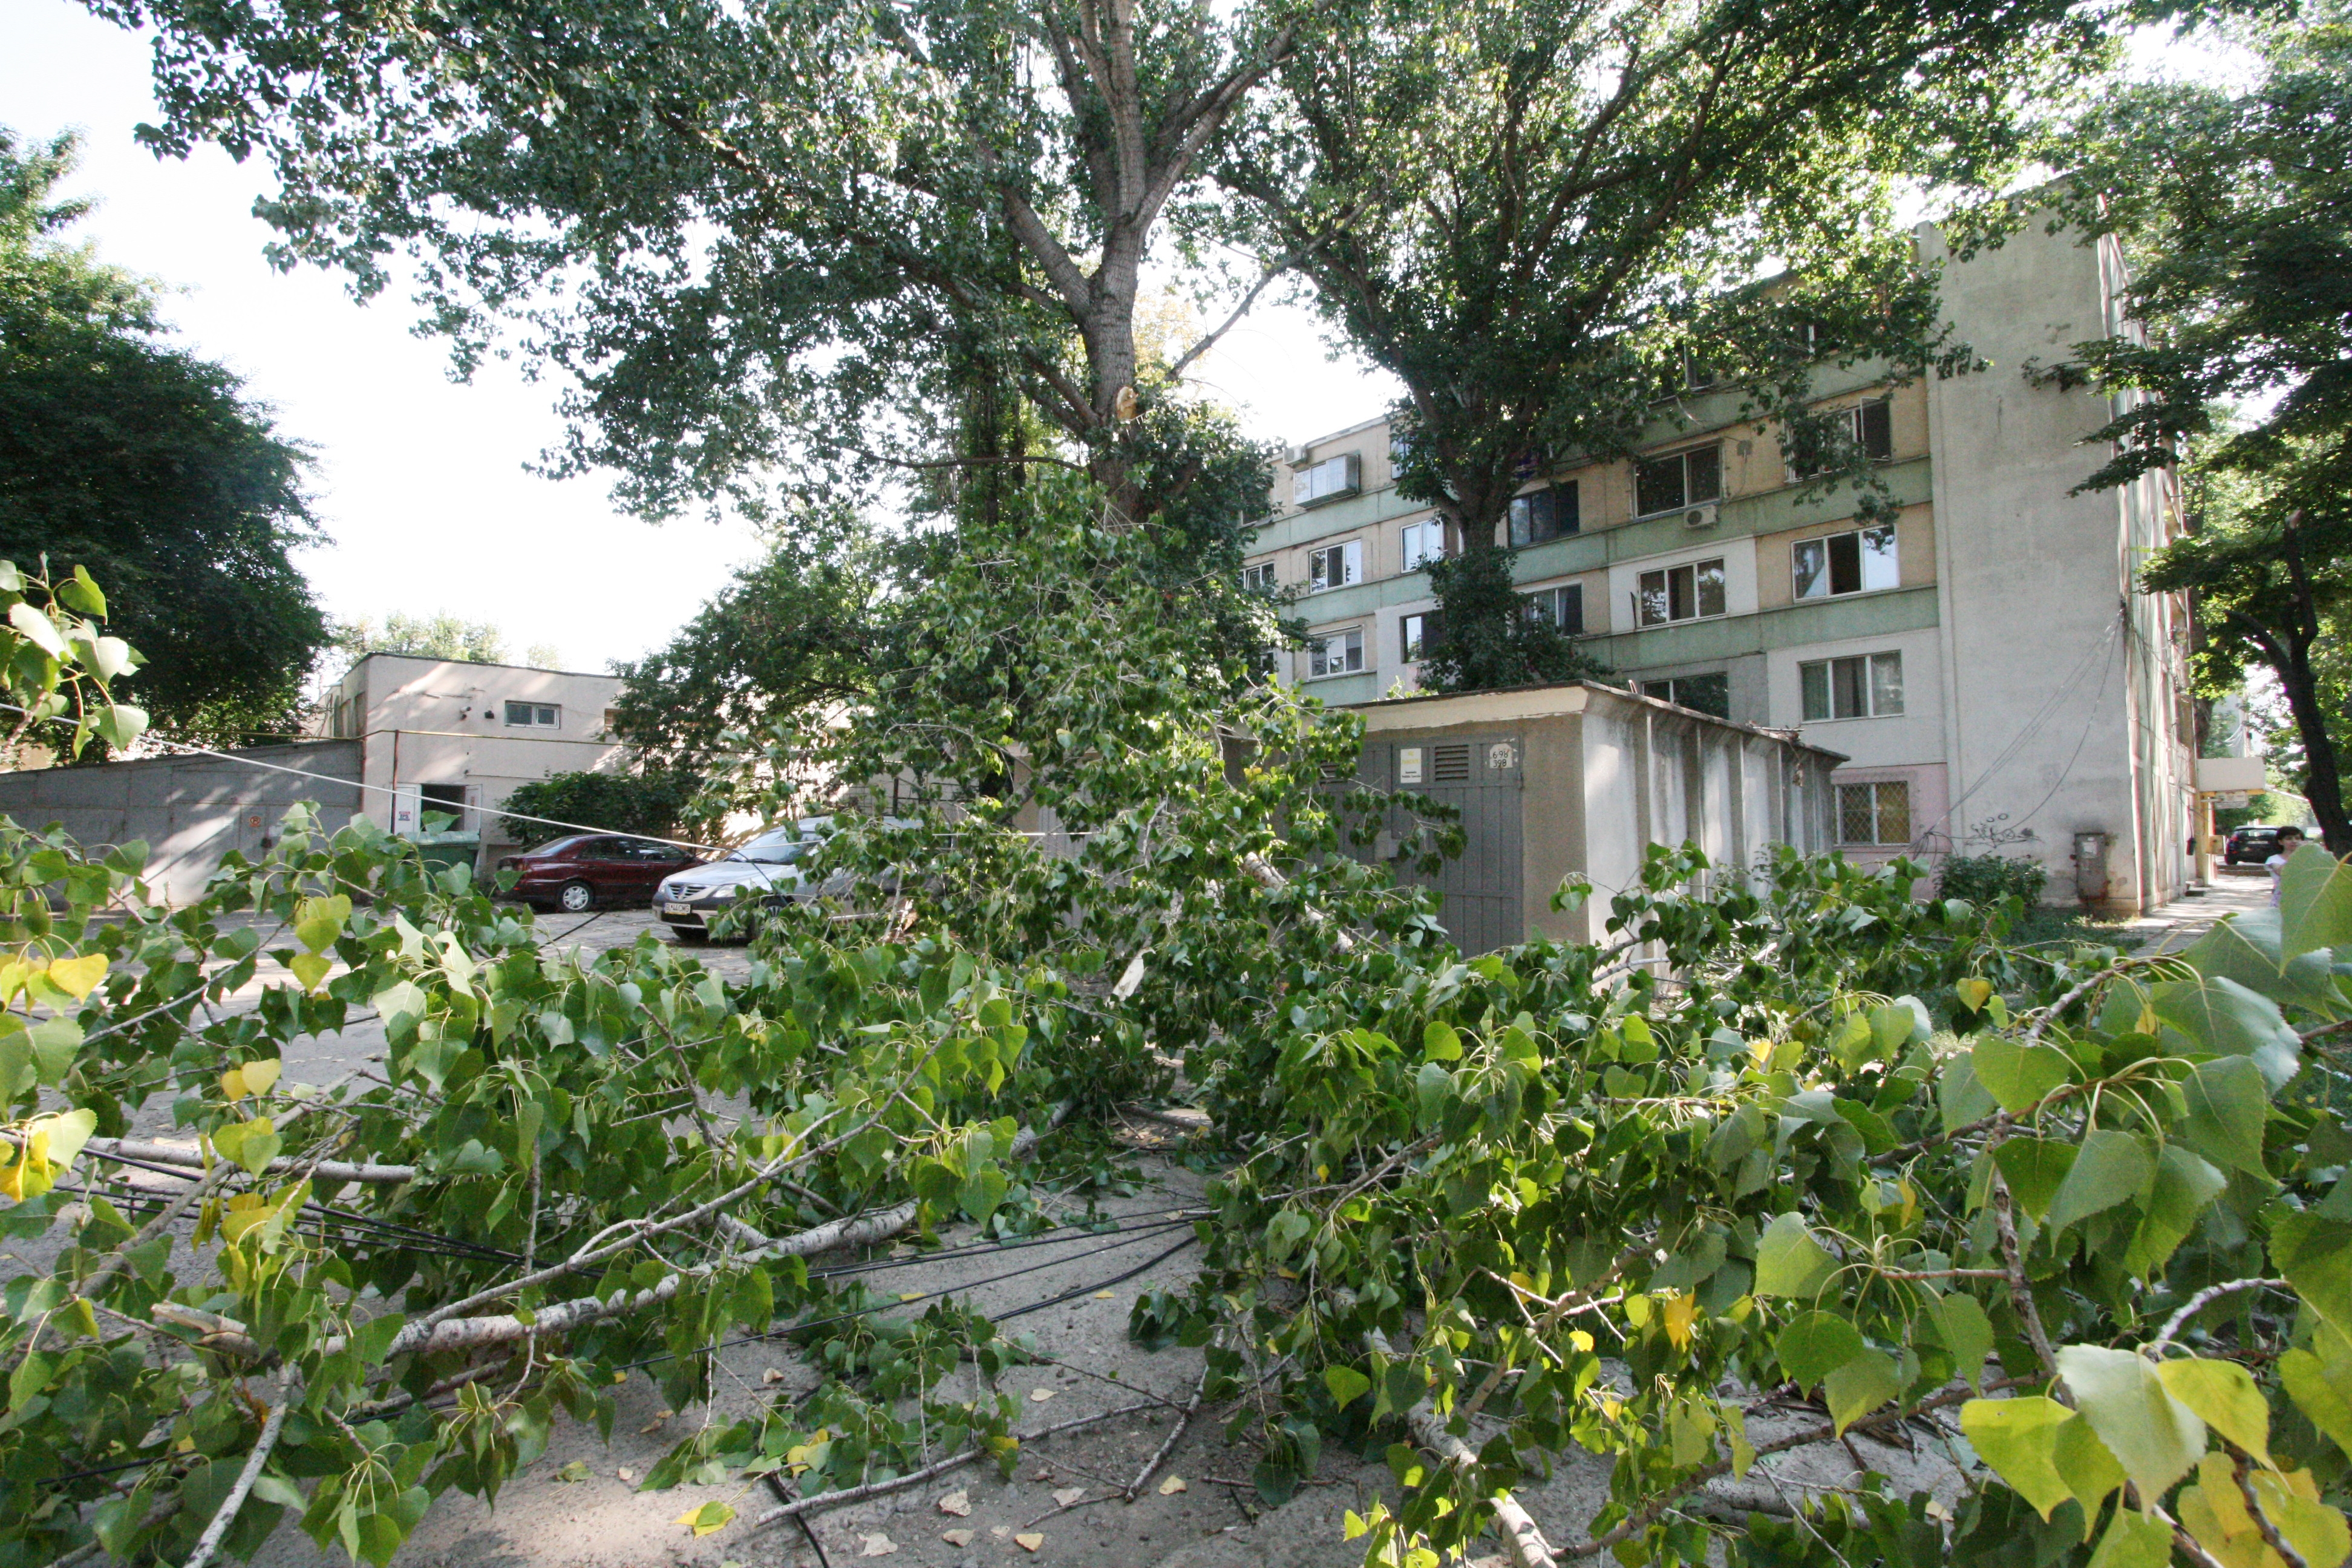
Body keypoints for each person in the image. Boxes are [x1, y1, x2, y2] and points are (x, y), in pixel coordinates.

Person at [2267, 826, 2306, 905]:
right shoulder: (2273, 859)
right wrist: (2295, 855)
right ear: (2281, 842)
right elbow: (2282, 872)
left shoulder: (2306, 859)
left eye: (2297, 838)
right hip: (2281, 901)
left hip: (2302, 899)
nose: (2294, 841)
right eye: (2289, 839)